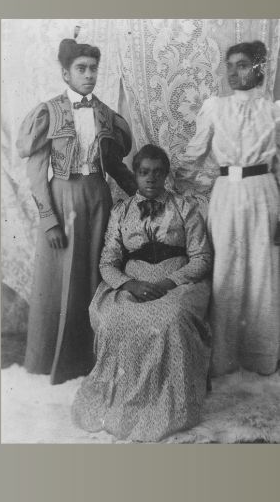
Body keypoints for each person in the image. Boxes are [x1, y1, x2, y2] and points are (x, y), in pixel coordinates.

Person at [17, 37, 137, 384]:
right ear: (66, 74)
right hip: (63, 201)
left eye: (93, 69)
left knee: (96, 276)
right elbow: (37, 173)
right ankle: (56, 362)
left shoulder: (103, 113)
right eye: (81, 69)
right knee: (62, 281)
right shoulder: (49, 111)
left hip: (98, 198)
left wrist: (140, 196)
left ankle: (94, 361)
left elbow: (114, 163)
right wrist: (49, 220)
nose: (88, 75)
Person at [71, 145, 212, 441]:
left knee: (170, 321)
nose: (151, 178)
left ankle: (170, 405)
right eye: (144, 172)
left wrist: (168, 283)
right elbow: (107, 261)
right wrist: (128, 284)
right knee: (116, 318)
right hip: (133, 282)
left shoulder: (185, 207)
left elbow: (201, 258)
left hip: (177, 282)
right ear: (135, 174)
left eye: (157, 172)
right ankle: (123, 398)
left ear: (166, 175)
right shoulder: (121, 211)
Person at [178, 40, 280, 377]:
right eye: (229, 65)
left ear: (258, 67)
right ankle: (223, 356)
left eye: (242, 65)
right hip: (225, 193)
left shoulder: (272, 111)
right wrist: (173, 185)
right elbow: (194, 153)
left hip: (263, 190)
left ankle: (260, 355)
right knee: (225, 269)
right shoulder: (215, 108)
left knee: (262, 269)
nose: (233, 72)